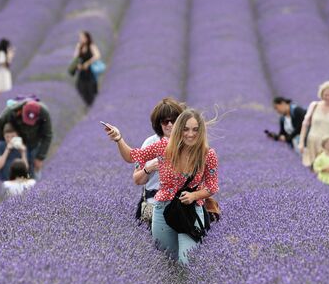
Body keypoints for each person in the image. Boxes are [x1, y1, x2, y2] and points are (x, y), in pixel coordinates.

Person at [103, 108, 219, 265]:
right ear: (179, 130)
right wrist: (118, 139)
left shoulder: (208, 154)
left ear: (201, 131)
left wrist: (194, 196)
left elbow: (212, 186)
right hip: (163, 209)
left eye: (195, 130)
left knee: (187, 260)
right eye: (185, 129)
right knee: (167, 261)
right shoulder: (164, 147)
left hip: (191, 211)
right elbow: (132, 156)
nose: (190, 134)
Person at [133, 97, 186, 224]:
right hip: (154, 204)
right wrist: (148, 168)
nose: (170, 125)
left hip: (182, 204)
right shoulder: (150, 143)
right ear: (158, 123)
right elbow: (137, 179)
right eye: (165, 121)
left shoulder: (187, 142)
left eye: (174, 120)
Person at [0, 98, 52, 178]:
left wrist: (40, 157)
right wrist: (4, 143)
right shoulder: (12, 110)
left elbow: (48, 135)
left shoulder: (44, 113)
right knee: (9, 166)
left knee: (32, 168)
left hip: (33, 142)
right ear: (22, 110)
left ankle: (34, 186)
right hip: (18, 139)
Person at [298, 81, 329, 168]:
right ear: (321, 95)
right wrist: (301, 142)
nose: (328, 97)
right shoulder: (314, 105)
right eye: (325, 95)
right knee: (312, 169)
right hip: (313, 144)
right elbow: (305, 124)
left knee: (328, 170)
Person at [72, 31, 101, 107]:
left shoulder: (91, 46)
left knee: (90, 90)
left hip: (90, 72)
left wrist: (88, 63)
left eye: (82, 37)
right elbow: (75, 57)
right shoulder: (79, 46)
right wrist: (77, 64)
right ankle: (87, 106)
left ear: (87, 38)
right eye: (80, 38)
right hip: (82, 72)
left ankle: (93, 107)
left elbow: (97, 55)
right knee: (80, 88)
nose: (80, 39)